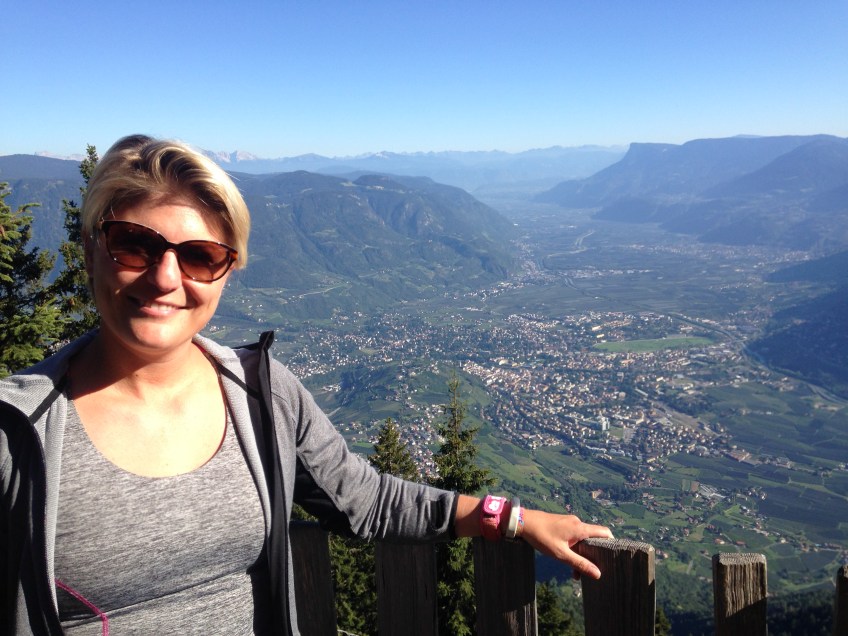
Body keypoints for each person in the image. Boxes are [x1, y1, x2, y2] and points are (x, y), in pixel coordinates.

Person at [0, 134, 613, 635]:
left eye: (200, 256)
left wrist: (511, 518)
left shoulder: (261, 395)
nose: (165, 278)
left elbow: (368, 500)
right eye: (134, 245)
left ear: (227, 272)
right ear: (91, 248)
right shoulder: (16, 433)